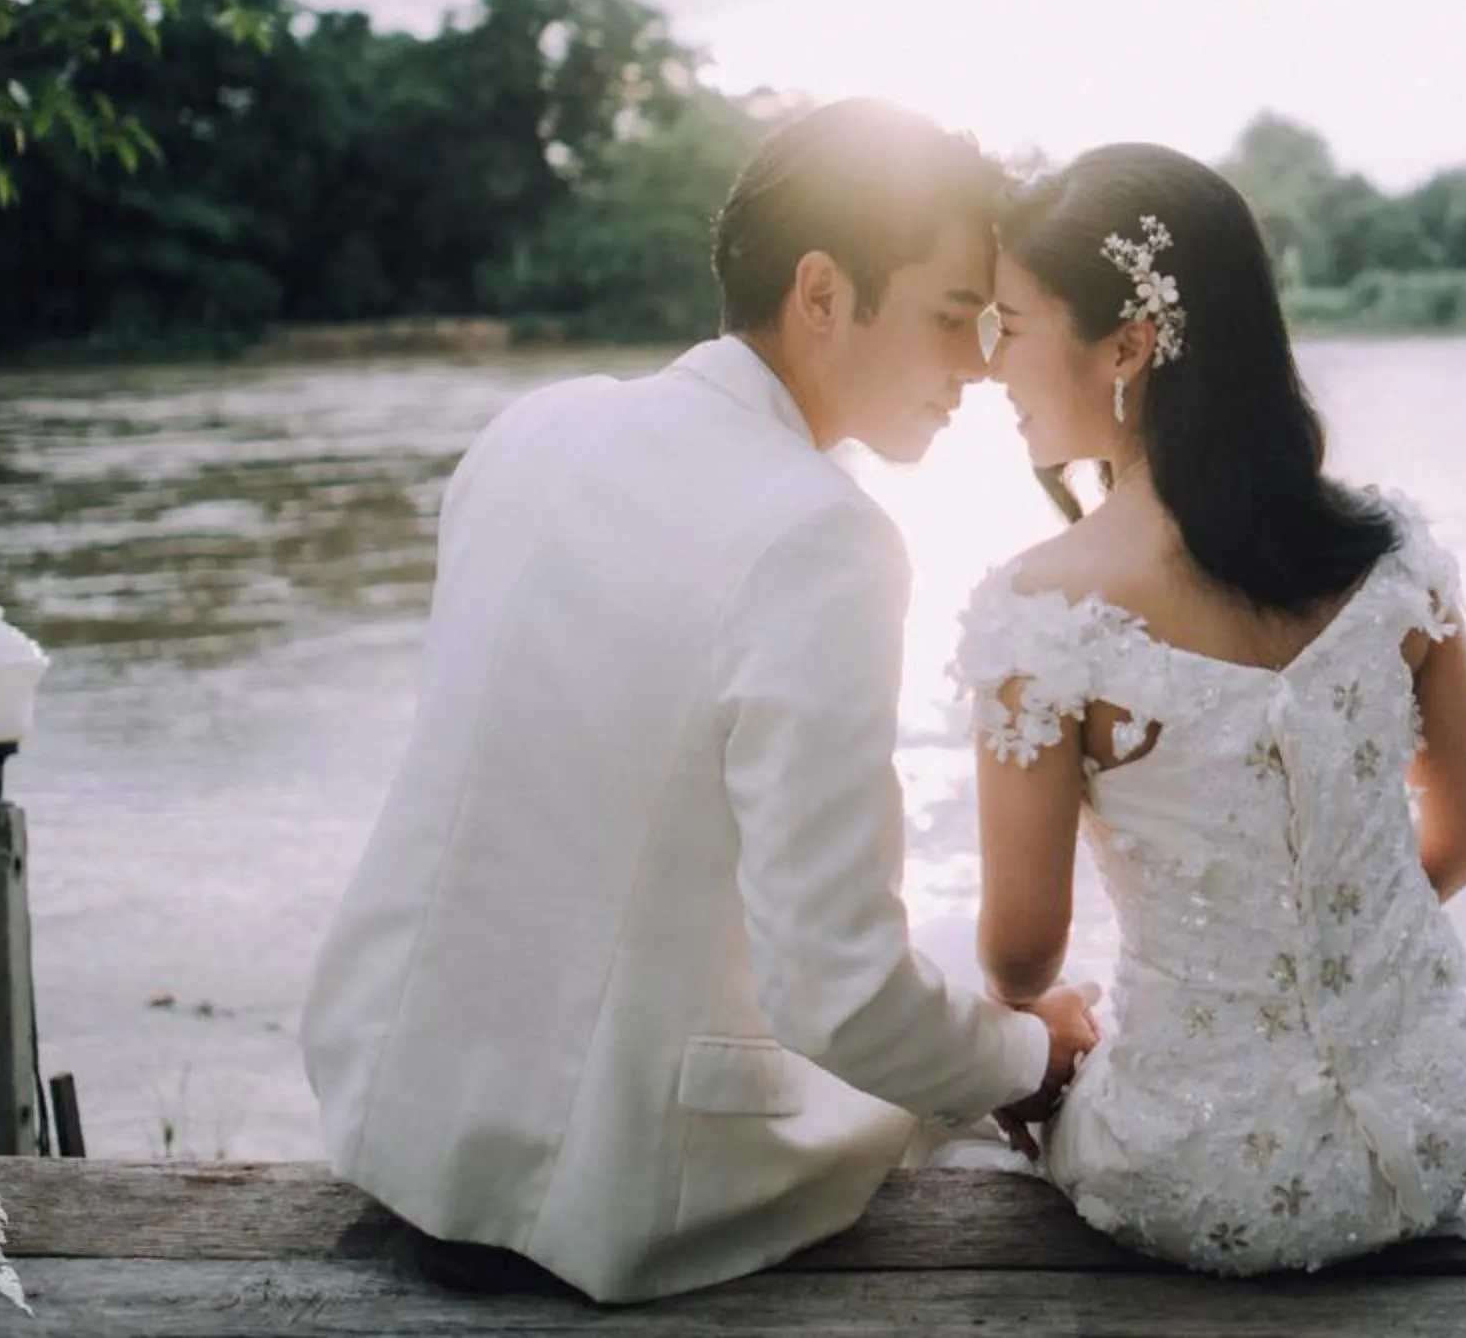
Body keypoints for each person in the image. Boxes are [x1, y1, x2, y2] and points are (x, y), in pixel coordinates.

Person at [950, 144, 1466, 1275]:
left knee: (941, 1101)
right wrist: (1331, 956)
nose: (991, 361)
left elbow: (1020, 955)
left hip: (1199, 1175)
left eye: (1010, 321)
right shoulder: (1391, 556)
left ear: (1130, 344)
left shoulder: (1042, 613)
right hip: (1430, 1128)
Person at [301, 99, 1096, 1304]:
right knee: (969, 1078)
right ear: (821, 294)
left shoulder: (535, 426)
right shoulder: (822, 535)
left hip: (390, 1115)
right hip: (609, 1191)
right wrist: (1035, 1054)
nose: (982, 366)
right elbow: (837, 989)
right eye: (953, 317)